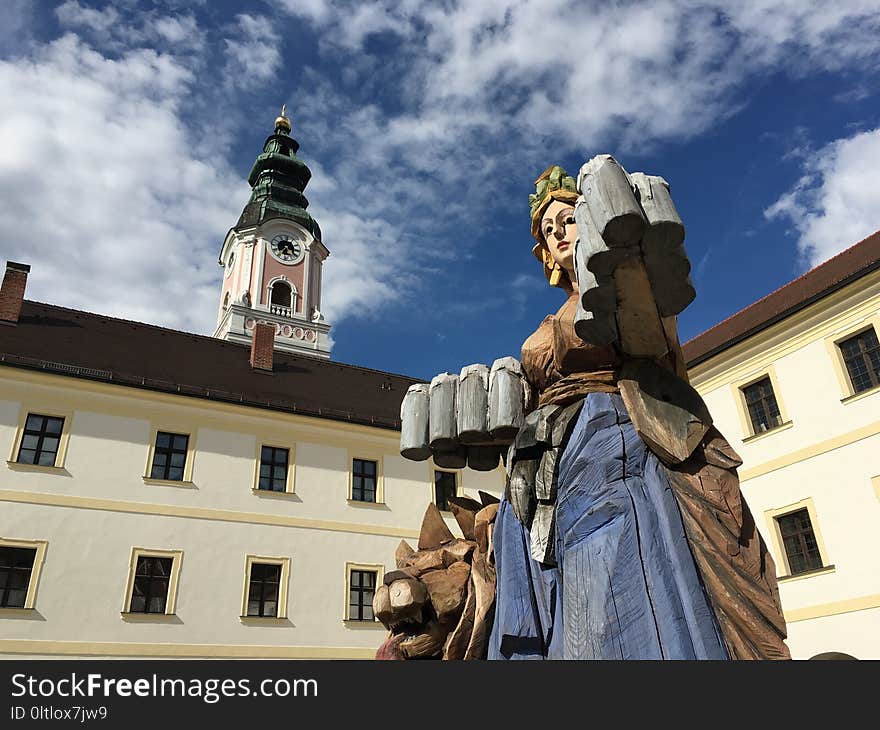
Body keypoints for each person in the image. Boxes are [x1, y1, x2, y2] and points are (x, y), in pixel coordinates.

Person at [487, 165, 790, 659]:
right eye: (549, 230)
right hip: (544, 468)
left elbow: (654, 340)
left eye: (567, 220)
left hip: (612, 442)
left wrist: (622, 253)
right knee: (545, 602)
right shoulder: (550, 320)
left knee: (609, 603)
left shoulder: (621, 285)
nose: (558, 233)